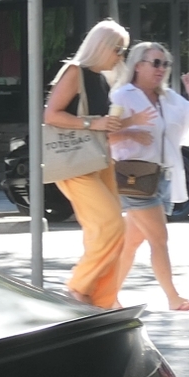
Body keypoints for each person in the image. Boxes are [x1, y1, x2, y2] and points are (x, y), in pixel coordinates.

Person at [41, 20, 135, 309]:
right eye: (119, 49)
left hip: (98, 159)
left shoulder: (99, 76)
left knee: (104, 230)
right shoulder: (74, 72)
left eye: (125, 50)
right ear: (102, 46)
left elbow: (100, 123)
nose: (120, 56)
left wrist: (123, 124)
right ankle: (78, 286)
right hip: (74, 163)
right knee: (110, 225)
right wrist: (93, 122)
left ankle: (103, 298)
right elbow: (51, 115)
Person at [105, 43, 189, 310]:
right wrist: (131, 133)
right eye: (156, 63)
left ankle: (106, 296)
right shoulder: (123, 96)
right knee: (159, 239)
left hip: (163, 177)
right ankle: (173, 297)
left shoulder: (169, 98)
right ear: (138, 65)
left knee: (132, 242)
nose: (161, 69)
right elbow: (105, 134)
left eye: (165, 64)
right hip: (135, 177)